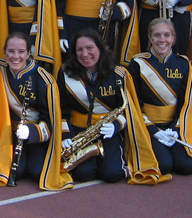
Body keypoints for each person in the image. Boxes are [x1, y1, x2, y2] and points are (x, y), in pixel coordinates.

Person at [57, 29, 164, 184]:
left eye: (89, 48)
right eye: (79, 49)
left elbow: (130, 107)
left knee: (112, 174)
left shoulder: (118, 73)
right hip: (78, 132)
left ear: (100, 48)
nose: (84, 54)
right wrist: (66, 135)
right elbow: (61, 107)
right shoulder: (65, 73)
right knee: (83, 174)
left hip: (107, 131)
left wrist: (115, 125)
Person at [128, 19, 192, 176]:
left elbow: (187, 101)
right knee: (164, 165)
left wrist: (175, 128)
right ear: (150, 38)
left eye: (167, 35)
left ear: (173, 38)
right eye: (157, 35)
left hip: (174, 128)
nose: (162, 40)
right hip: (147, 126)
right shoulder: (138, 62)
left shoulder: (183, 63)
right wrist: (154, 130)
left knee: (187, 166)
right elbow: (134, 102)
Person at [0, 32, 72, 190]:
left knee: (37, 171)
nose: (15, 56)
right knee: (12, 171)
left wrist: (32, 132)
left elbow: (52, 121)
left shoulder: (43, 80)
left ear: (29, 53)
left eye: (21, 52)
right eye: (11, 51)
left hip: (34, 134)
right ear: (4, 52)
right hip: (7, 132)